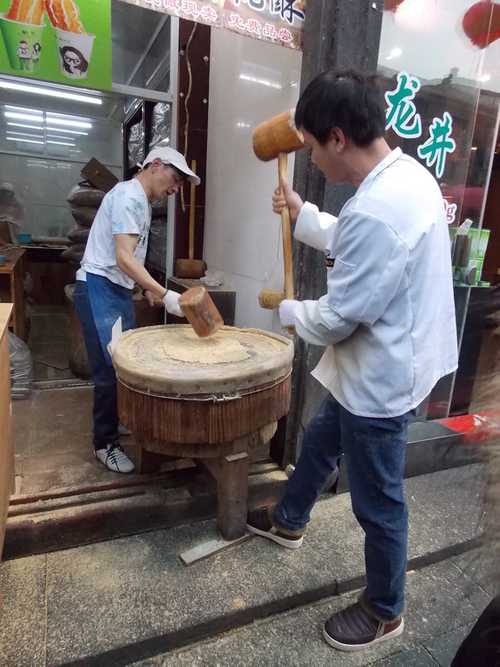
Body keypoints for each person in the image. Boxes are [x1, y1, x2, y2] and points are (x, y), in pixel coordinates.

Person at [247, 70, 458, 652]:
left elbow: (339, 317)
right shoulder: (406, 174)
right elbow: (364, 242)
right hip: (386, 356)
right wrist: (302, 211)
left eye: (312, 145)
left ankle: (385, 608)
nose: (310, 157)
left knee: (378, 499)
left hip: (382, 373)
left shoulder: (380, 209)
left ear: (338, 137)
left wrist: (287, 309)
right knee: (319, 440)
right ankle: (291, 519)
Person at [74, 147, 200, 474]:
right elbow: (123, 258)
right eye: (175, 179)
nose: (176, 189)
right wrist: (165, 293)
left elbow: (131, 258)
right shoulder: (130, 197)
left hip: (115, 289)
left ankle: (118, 421)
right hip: (99, 288)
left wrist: (145, 287)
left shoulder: (138, 199)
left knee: (125, 365)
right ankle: (105, 443)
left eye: (181, 185)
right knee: (109, 370)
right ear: (155, 165)